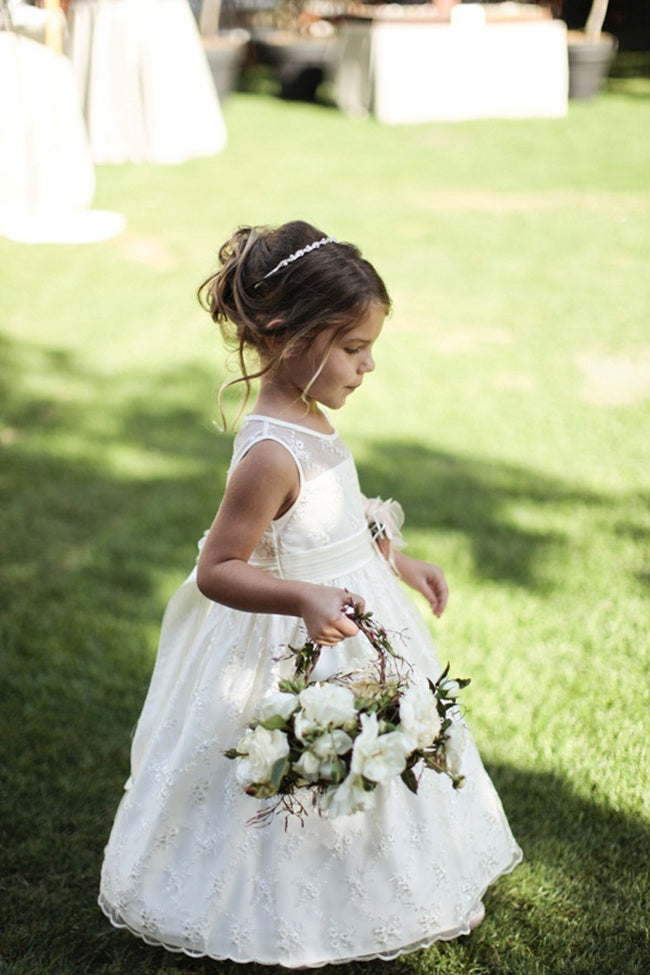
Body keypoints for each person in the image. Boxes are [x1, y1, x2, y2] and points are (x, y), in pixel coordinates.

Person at [98, 220, 522, 966]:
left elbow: (335, 518)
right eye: (353, 348)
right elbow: (220, 566)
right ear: (288, 335)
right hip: (294, 640)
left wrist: (398, 558)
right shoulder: (267, 449)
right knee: (300, 757)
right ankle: (278, 894)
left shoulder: (310, 416)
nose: (368, 366)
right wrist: (301, 599)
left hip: (353, 617)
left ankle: (370, 873)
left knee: (364, 756)